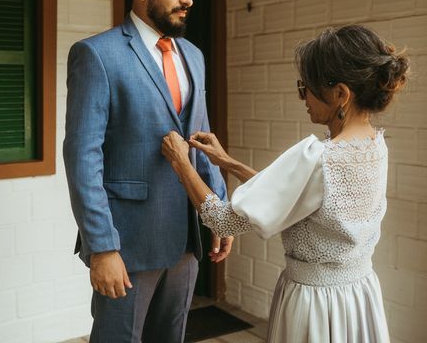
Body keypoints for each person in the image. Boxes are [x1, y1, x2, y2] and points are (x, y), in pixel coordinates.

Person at [162, 24, 409, 343]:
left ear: (340, 94)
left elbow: (225, 220)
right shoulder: (375, 147)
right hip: (358, 295)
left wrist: (181, 163)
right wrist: (227, 162)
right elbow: (297, 199)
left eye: (306, 86)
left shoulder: (317, 158)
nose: (303, 96)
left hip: (315, 305)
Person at [63, 0, 232, 342]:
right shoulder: (96, 54)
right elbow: (83, 157)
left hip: (186, 239)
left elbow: (201, 141)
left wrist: (220, 211)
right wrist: (102, 248)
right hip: (127, 244)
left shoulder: (193, 55)